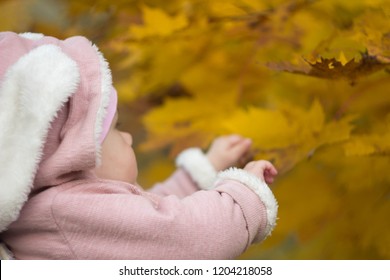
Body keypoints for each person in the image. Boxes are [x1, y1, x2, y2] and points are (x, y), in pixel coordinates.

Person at [0, 31, 278, 260]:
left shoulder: (52, 216)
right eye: (117, 129)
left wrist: (197, 176)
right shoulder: (63, 214)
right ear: (71, 155)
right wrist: (244, 196)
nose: (129, 138)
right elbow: (186, 237)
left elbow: (143, 223)